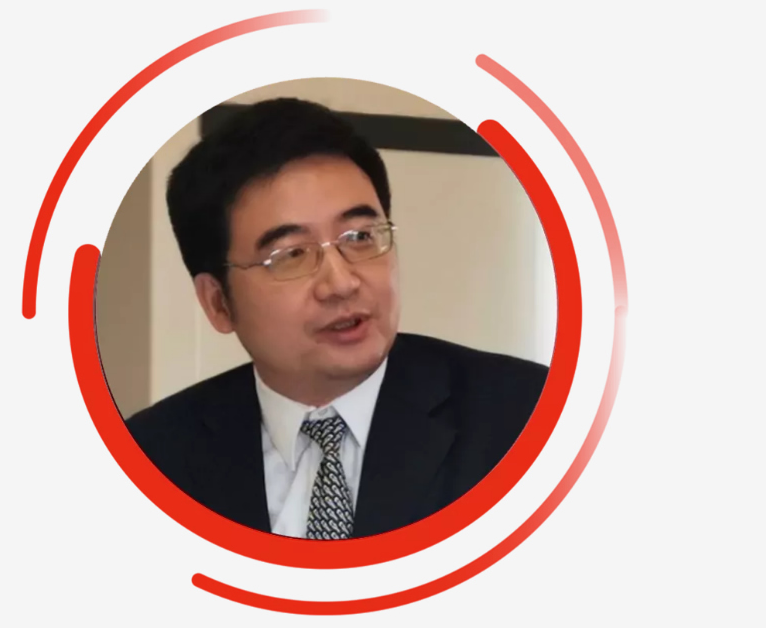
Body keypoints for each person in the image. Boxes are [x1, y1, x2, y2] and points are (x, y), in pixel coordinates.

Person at [125, 97, 548, 540]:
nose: (342, 283)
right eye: (291, 255)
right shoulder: (148, 461)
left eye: (360, 236)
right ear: (218, 303)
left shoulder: (531, 420)